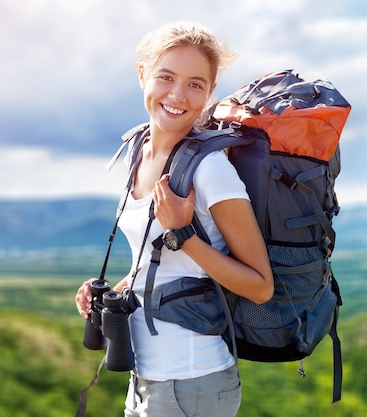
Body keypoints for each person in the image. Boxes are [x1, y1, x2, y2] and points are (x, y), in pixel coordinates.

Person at [75, 21, 274, 417]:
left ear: (210, 92)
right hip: (147, 377)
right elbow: (156, 265)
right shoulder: (138, 150)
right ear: (142, 75)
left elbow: (260, 287)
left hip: (192, 380)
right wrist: (111, 290)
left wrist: (184, 234)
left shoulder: (211, 170)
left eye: (196, 84)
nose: (178, 95)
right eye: (166, 77)